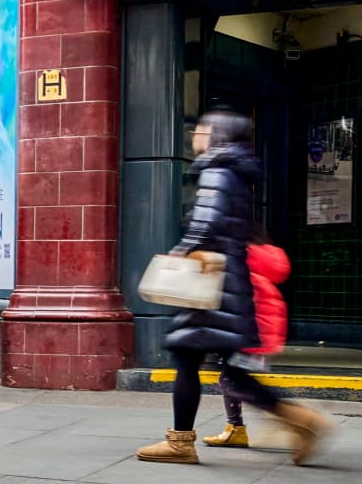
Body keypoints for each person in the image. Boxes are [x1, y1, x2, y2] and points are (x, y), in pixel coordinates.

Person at [138, 111, 332, 466]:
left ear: (215, 134)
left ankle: (181, 443)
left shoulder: (216, 169)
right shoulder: (240, 175)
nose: (195, 135)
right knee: (229, 368)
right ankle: (300, 420)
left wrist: (180, 253)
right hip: (230, 285)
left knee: (187, 356)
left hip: (210, 286)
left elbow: (207, 222)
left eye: (200, 129)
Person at [205, 239, 291, 450]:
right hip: (260, 336)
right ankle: (236, 428)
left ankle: (288, 416)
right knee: (231, 378)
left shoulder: (243, 272)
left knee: (233, 381)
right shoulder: (261, 273)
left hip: (247, 336)